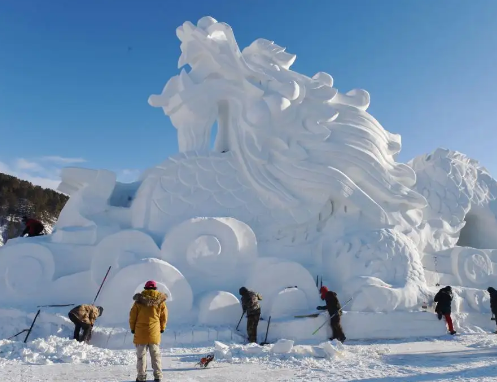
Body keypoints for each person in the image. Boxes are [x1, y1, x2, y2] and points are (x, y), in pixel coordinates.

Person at [129, 280, 167, 382]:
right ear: (155, 288)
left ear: (145, 288)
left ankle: (141, 377)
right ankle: (158, 376)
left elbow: (132, 316)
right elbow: (164, 317)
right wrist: (162, 328)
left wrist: (132, 328)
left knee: (141, 356)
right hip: (154, 332)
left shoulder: (138, 302)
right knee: (155, 355)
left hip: (140, 333)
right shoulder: (160, 301)